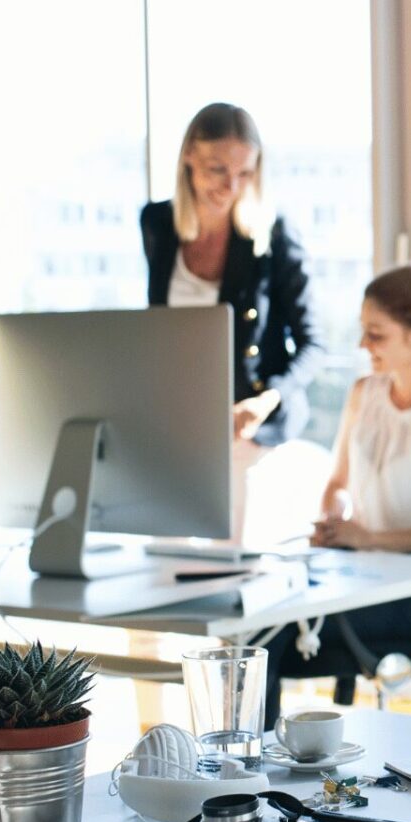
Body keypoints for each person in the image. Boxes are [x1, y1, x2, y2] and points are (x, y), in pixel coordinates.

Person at [265, 265, 411, 716]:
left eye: (376, 334)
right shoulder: (363, 394)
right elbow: (337, 484)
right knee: (254, 615)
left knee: (267, 636)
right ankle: (244, 768)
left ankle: (247, 773)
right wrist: (336, 520)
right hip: (361, 577)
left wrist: (368, 539)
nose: (362, 345)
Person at [140, 102, 317, 541]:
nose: (231, 185)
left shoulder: (272, 236)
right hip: (183, 415)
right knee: (163, 545)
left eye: (245, 173)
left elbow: (313, 344)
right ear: (187, 158)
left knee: (228, 548)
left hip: (252, 419)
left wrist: (266, 400)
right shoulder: (158, 224)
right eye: (217, 169)